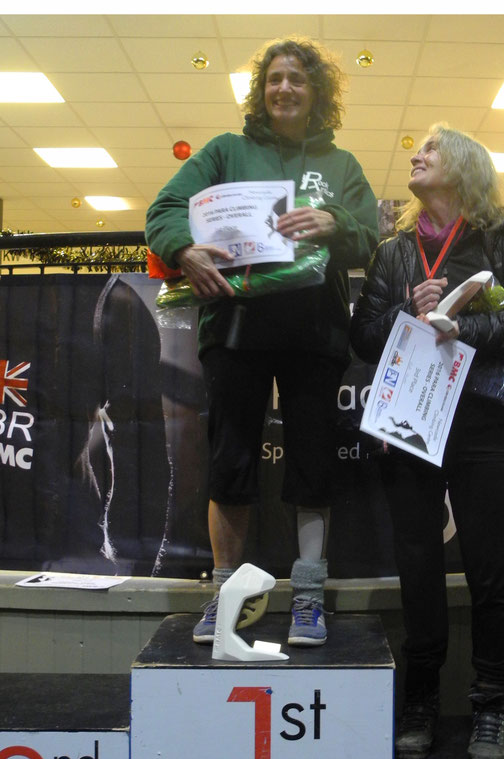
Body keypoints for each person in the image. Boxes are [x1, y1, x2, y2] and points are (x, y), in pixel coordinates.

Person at [146, 37, 379, 647]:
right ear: (261, 90)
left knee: (311, 467)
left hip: (316, 335)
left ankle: (307, 597)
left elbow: (368, 239)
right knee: (231, 466)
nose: (284, 89)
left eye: (297, 79)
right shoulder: (225, 151)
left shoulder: (342, 165)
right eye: (274, 78)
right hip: (235, 331)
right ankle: (227, 597)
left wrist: (338, 223)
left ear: (316, 92)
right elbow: (165, 207)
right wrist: (183, 248)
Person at [350, 124, 504, 759]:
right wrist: (407, 312)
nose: (415, 154)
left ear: (463, 165)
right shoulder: (392, 253)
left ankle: (490, 704)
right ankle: (419, 702)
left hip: (487, 425)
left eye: (431, 149)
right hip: (412, 421)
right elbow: (362, 334)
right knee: (418, 569)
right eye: (415, 148)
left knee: (490, 570)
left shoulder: (501, 233)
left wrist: (459, 326)